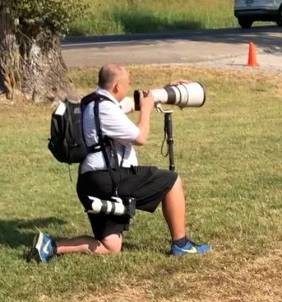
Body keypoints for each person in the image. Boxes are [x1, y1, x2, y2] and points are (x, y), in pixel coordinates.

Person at [30, 64, 209, 263]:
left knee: (111, 246)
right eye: (127, 83)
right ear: (116, 86)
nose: (129, 86)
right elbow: (140, 137)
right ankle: (181, 244)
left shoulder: (93, 102)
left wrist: (164, 91)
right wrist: (147, 111)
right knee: (172, 182)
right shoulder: (106, 109)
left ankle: (51, 246)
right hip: (109, 178)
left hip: (90, 181)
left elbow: (132, 104)